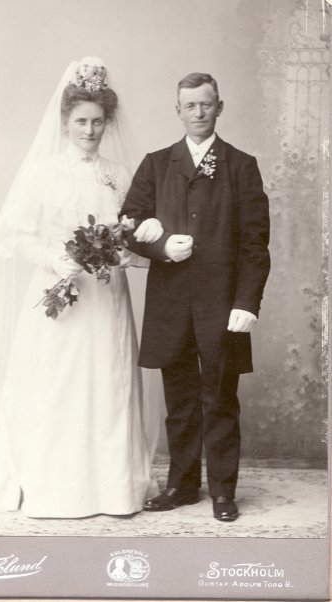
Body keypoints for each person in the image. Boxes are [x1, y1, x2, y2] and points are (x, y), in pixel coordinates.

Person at [0, 57, 159, 520]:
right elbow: (14, 236)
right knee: (58, 384)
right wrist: (54, 259)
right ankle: (56, 488)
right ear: (65, 122)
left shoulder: (118, 175)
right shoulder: (44, 173)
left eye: (97, 121)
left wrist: (126, 252)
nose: (89, 130)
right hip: (60, 294)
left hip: (107, 297)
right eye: (81, 121)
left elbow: (128, 234)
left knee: (107, 381)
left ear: (108, 122)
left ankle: (111, 489)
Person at [121, 72, 270, 522]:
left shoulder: (241, 165)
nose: (199, 113)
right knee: (180, 401)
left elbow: (255, 244)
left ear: (219, 108)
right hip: (171, 303)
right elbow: (129, 223)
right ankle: (182, 486)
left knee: (220, 399)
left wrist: (247, 302)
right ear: (178, 111)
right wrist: (162, 246)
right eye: (190, 105)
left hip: (222, 304)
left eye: (206, 104)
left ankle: (223, 491)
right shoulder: (156, 164)